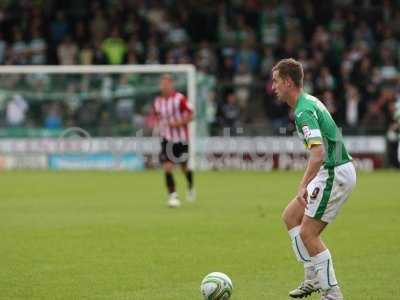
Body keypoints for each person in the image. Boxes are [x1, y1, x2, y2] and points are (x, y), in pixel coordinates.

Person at [271, 58, 356, 300]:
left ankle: (332, 293)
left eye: (276, 81)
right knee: (290, 216)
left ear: (288, 82)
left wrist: (303, 184)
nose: (273, 87)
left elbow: (318, 153)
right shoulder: (307, 102)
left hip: (334, 171)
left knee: (309, 234)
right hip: (333, 168)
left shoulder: (303, 110)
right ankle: (312, 277)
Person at [153, 74, 195, 208]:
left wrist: (177, 123)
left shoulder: (179, 99)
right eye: (162, 83)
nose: (164, 86)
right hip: (167, 139)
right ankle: (173, 196)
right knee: (167, 167)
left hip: (181, 139)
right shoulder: (158, 102)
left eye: (166, 83)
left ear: (171, 84)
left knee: (184, 167)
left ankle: (190, 186)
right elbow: (158, 118)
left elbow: (191, 115)